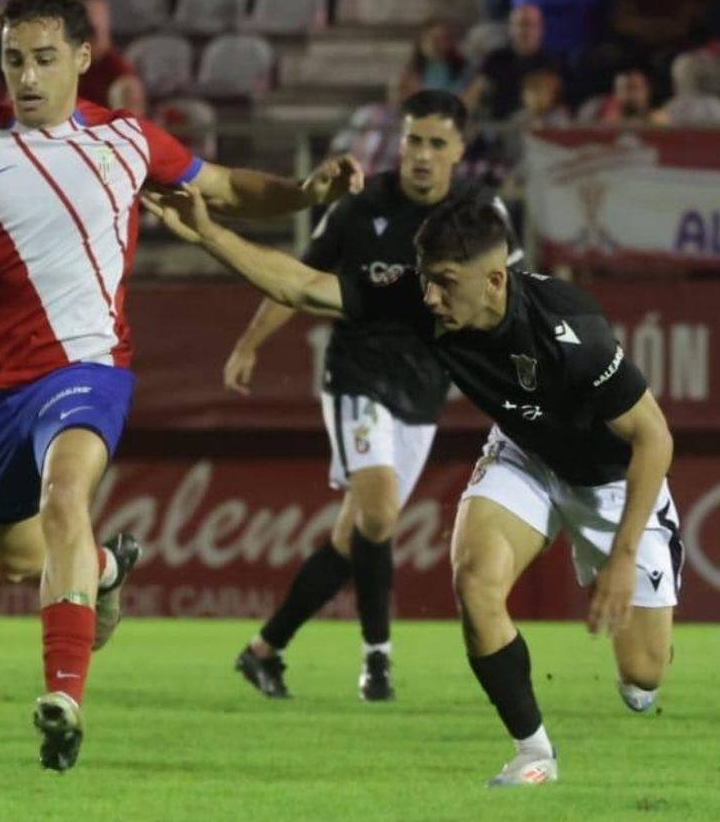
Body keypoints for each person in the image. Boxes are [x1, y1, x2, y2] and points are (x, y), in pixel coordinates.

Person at [0, 0, 361, 772]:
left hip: (87, 365)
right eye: (13, 60)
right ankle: (102, 569)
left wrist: (305, 193)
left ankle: (64, 698)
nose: (26, 77)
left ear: (80, 58)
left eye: (43, 59)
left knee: (65, 497)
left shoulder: (127, 140)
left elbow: (226, 188)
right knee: (13, 558)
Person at [142, 187, 680, 789]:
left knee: (643, 676)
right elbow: (302, 286)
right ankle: (534, 754)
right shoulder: (420, 300)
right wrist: (209, 233)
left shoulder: (569, 326)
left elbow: (654, 438)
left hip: (611, 483)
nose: (430, 297)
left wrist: (623, 555)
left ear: (495, 281)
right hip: (526, 455)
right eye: (426, 280)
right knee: (475, 580)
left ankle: (644, 649)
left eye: (446, 283)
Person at [223, 90, 515, 703]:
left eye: (437, 144)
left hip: (423, 390)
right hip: (357, 375)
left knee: (354, 534)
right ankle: (377, 660)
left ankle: (264, 649)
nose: (422, 155)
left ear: (459, 150)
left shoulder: (478, 217)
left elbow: (509, 296)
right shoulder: (360, 208)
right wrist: (249, 343)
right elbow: (298, 280)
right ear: (399, 143)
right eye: (413, 141)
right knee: (379, 513)